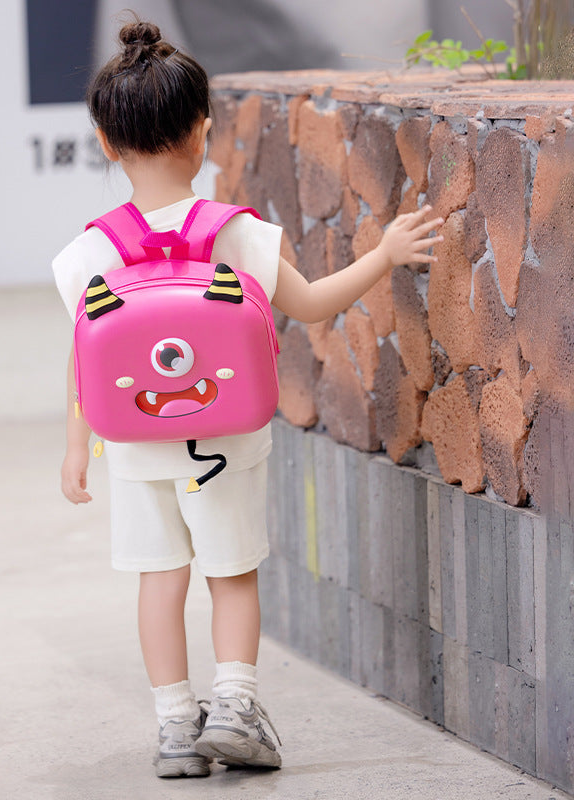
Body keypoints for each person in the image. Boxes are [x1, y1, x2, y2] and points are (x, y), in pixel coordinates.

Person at [53, 16, 443, 780]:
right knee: (230, 573)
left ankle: (174, 728)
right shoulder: (240, 236)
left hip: (134, 449)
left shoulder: (88, 253)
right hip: (226, 444)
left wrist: (76, 449)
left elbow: (83, 356)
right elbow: (313, 305)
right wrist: (387, 252)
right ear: (204, 133)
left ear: (105, 142)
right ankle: (234, 708)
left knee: (158, 581)